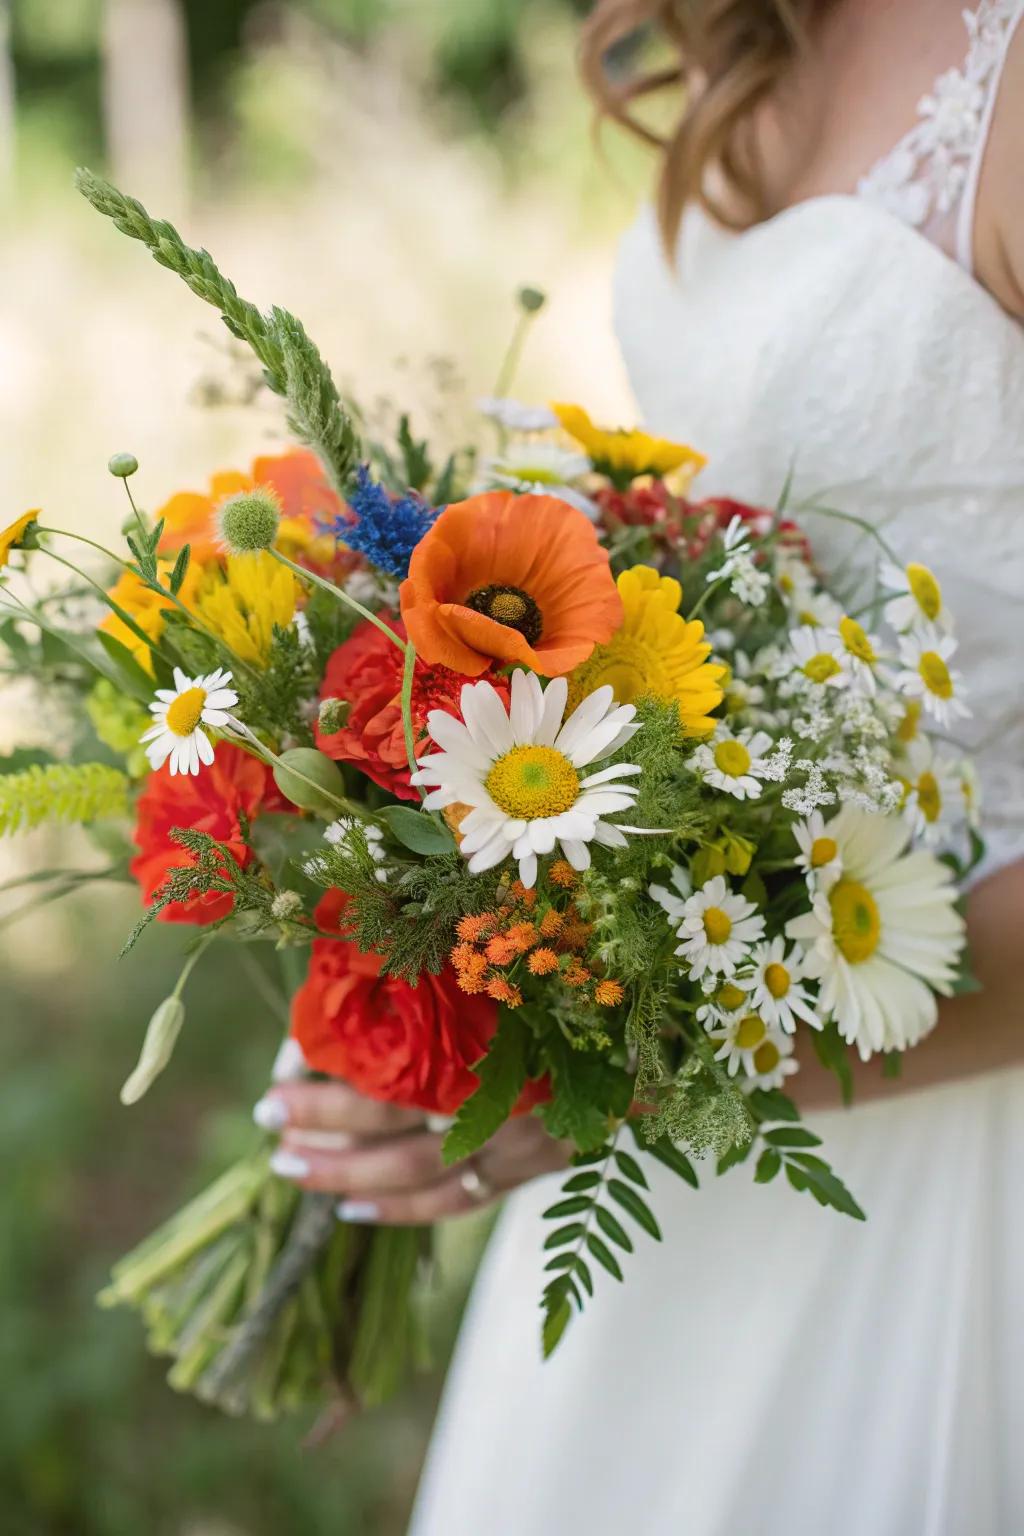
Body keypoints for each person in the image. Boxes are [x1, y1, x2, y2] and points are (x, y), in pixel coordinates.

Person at [258, 2, 1024, 1529]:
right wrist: (456, 963)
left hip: (943, 1132)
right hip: (691, 1128)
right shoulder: (751, 23)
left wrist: (648, 1064)